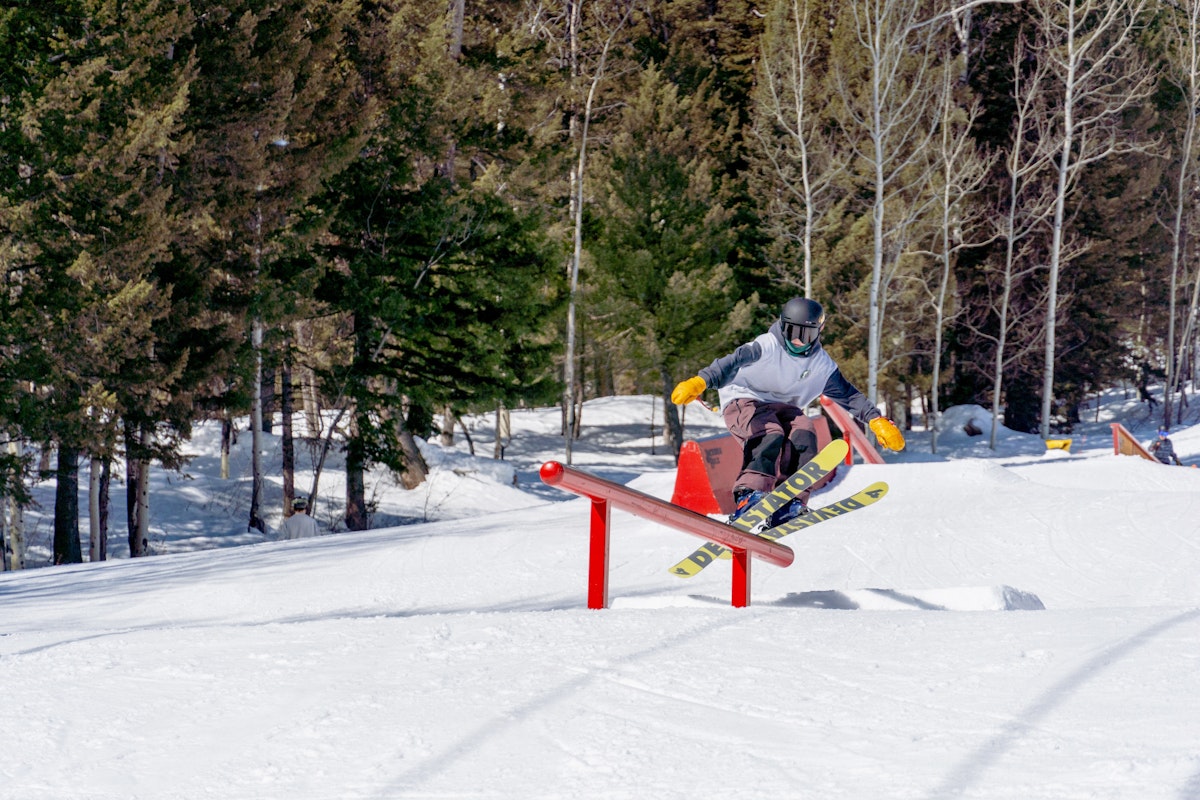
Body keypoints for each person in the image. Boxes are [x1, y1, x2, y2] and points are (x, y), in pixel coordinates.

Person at [671, 297, 904, 525]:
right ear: (782, 326)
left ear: (818, 332)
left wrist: (875, 419)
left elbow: (848, 394)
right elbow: (731, 361)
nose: (798, 341)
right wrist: (701, 381)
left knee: (803, 431)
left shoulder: (821, 364)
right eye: (792, 332)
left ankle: (790, 503)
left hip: (783, 408)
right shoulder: (767, 346)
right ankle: (749, 494)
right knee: (769, 433)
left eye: (806, 335)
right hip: (744, 399)